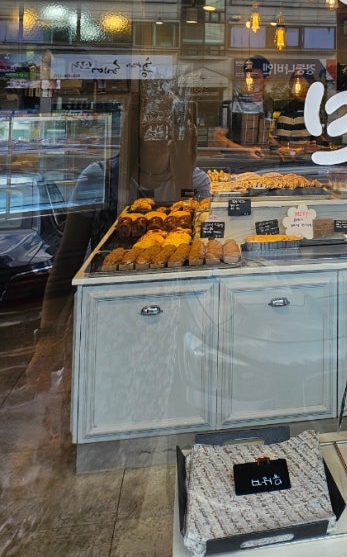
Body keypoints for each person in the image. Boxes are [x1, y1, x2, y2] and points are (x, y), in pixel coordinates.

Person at [26, 91, 210, 388]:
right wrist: (47, 340)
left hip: (169, 320)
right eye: (154, 122)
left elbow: (197, 260)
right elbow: (69, 260)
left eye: (173, 122)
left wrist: (183, 172)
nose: (162, 131)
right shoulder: (99, 178)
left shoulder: (197, 183)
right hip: (105, 314)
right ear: (134, 130)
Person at [274, 70, 316, 147]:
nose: (303, 91)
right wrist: (305, 147)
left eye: (307, 87)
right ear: (292, 88)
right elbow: (283, 144)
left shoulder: (312, 111)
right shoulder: (288, 112)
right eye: (299, 87)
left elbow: (314, 139)